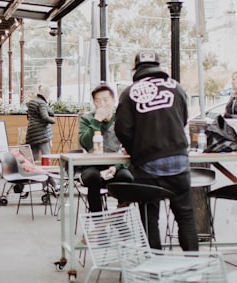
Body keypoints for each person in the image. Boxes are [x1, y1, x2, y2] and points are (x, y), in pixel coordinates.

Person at [114, 49, 198, 252]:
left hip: (148, 164)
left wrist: (137, 150)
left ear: (135, 69)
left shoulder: (130, 92)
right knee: (185, 216)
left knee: (150, 217)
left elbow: (122, 129)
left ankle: (155, 268)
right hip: (179, 160)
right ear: (159, 67)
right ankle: (194, 268)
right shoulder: (176, 88)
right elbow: (184, 119)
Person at [78, 83, 133, 213]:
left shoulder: (122, 118)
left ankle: (118, 216)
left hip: (116, 165)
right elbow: (85, 143)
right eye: (98, 101)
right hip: (92, 165)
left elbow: (129, 147)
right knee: (93, 178)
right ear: (93, 103)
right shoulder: (87, 118)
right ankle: (97, 222)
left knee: (127, 178)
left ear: (114, 101)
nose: (102, 104)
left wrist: (116, 167)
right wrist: (97, 121)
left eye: (106, 100)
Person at [24, 85, 56, 161]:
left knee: (34, 156)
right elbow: (45, 117)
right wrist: (53, 121)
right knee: (46, 156)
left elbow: (28, 117)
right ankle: (47, 172)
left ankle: (28, 169)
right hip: (41, 133)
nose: (49, 94)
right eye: (48, 92)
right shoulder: (41, 103)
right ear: (45, 92)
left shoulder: (32, 101)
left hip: (32, 132)